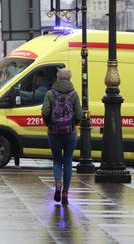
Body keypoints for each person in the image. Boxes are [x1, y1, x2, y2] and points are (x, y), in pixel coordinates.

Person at [41, 68, 82, 205]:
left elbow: (45, 112)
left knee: (57, 161)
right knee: (68, 161)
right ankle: (65, 192)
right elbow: (79, 115)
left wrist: (49, 124)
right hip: (70, 133)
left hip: (54, 132)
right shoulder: (74, 95)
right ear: (69, 79)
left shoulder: (50, 94)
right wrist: (72, 125)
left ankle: (58, 186)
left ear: (58, 79)